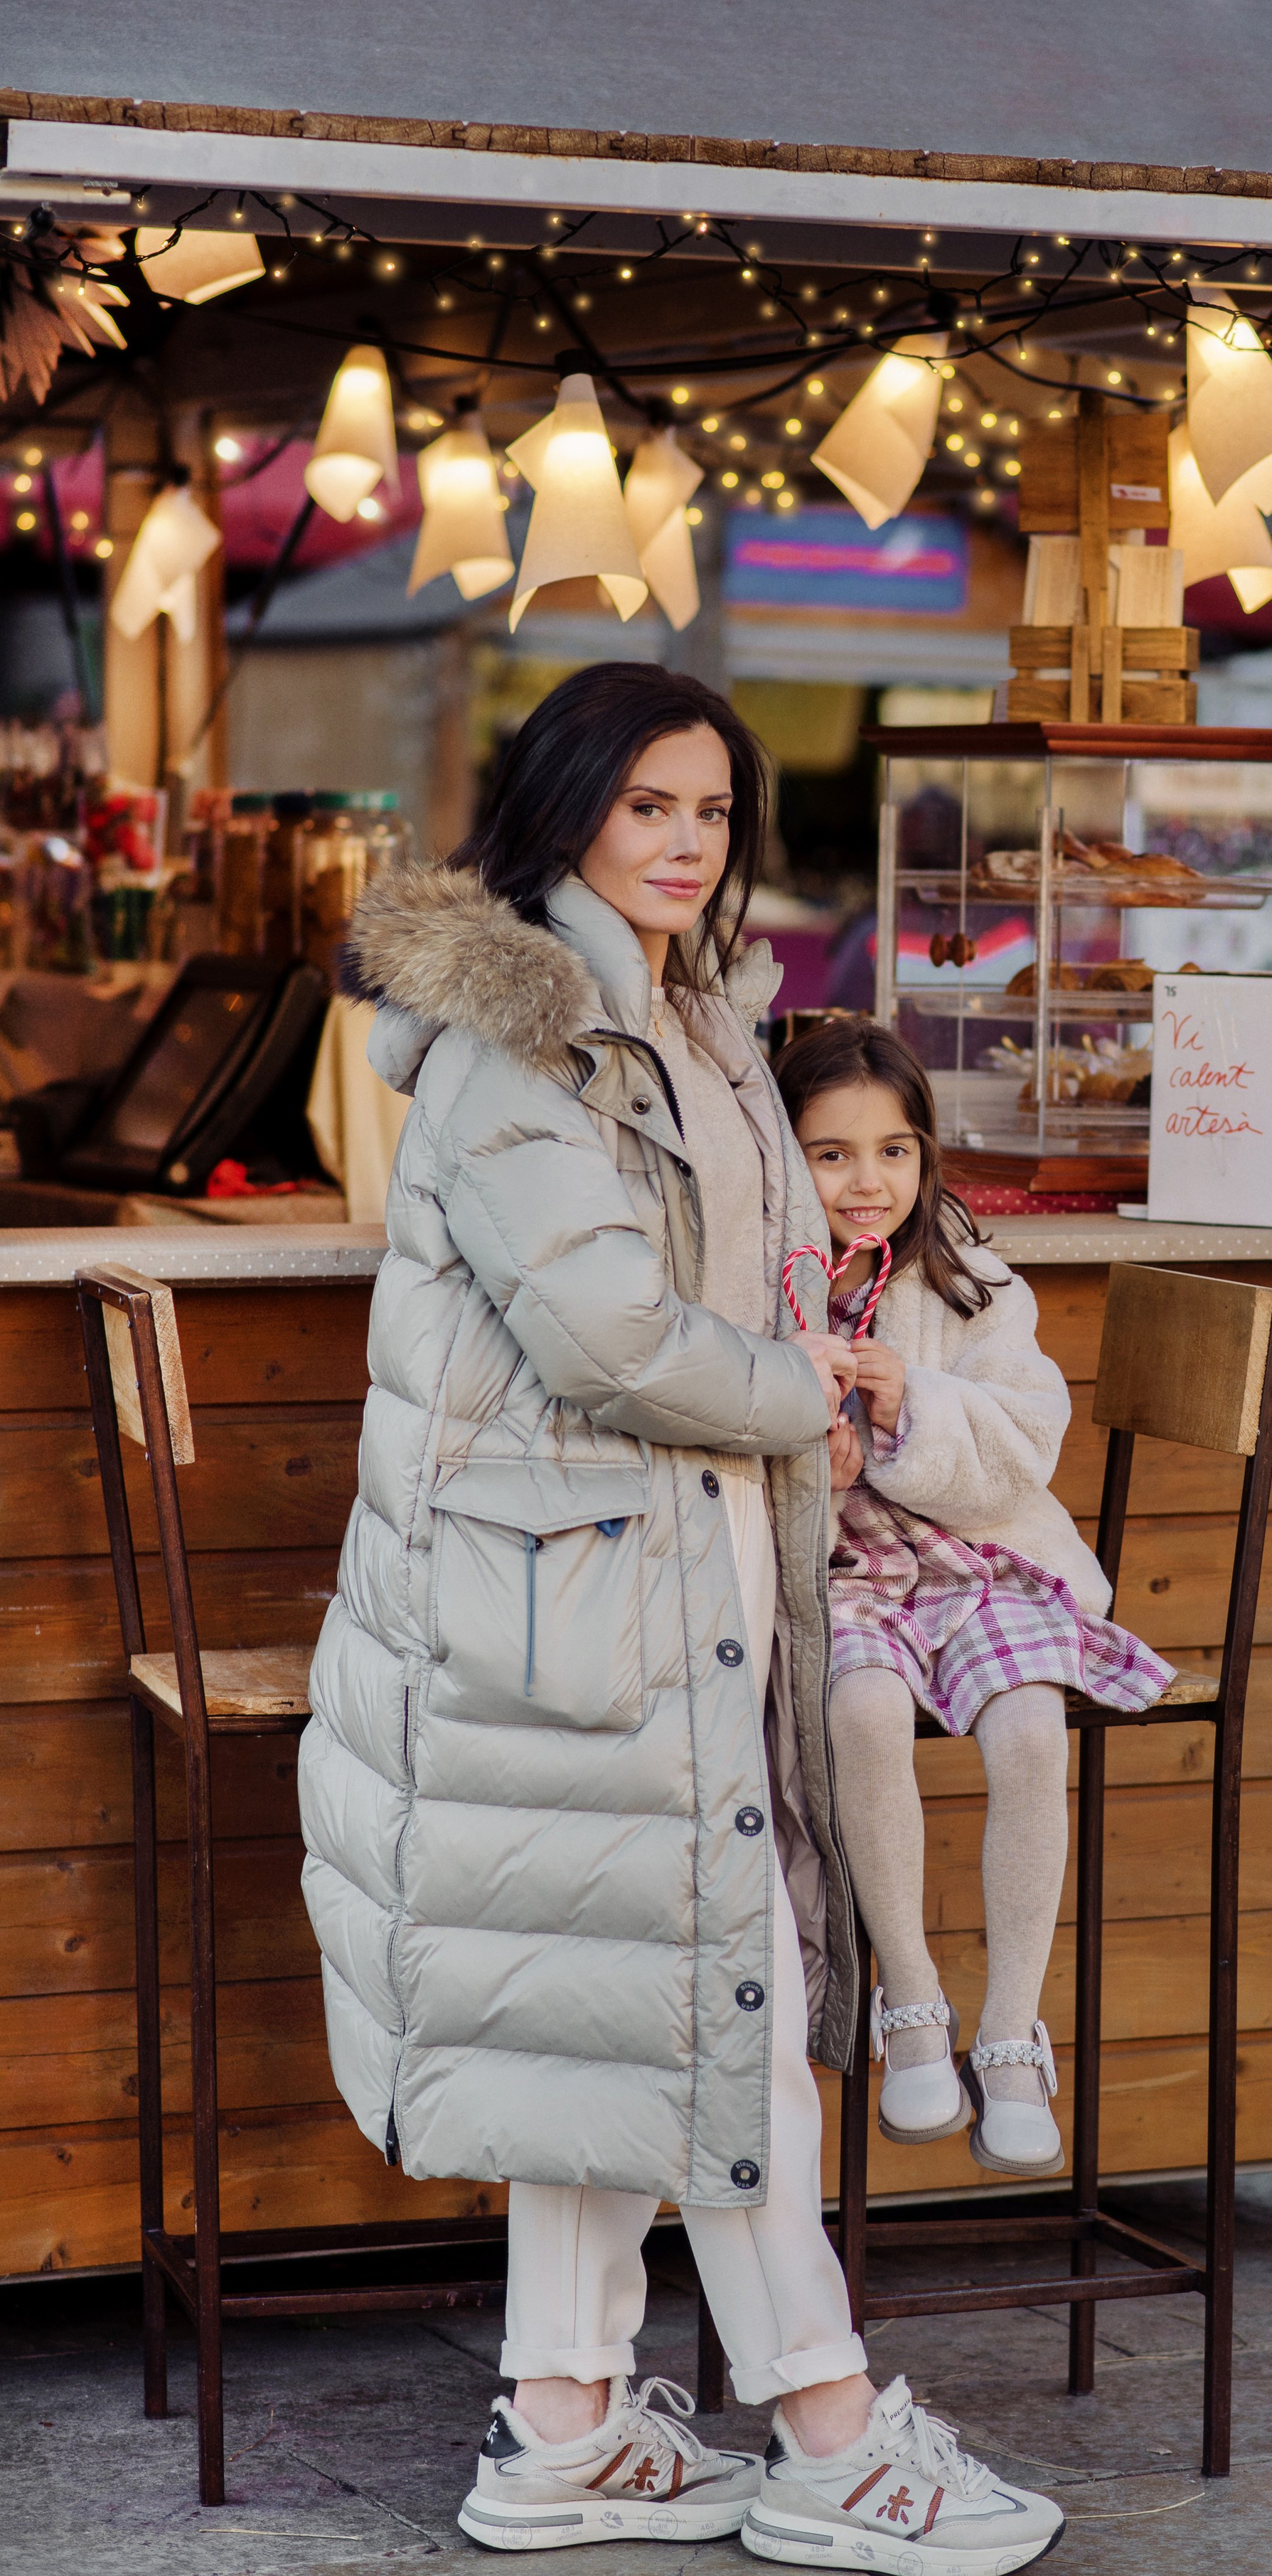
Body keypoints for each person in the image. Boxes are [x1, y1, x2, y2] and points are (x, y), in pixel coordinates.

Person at [297, 665, 1064, 2570]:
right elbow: (612, 1336)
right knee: (726, 1986)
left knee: (605, 1998)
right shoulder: (521, 1043)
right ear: (566, 806)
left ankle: (560, 2420)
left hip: (665, 1557)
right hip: (578, 1587)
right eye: (648, 804)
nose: (685, 841)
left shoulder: (700, 1016)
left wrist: (807, 1357)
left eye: (711, 811)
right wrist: (813, 1389)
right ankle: (826, 2430)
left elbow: (746, 1267)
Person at [774, 1019, 1172, 2178]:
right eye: (830, 1154)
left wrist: (911, 1412)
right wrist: (812, 1452)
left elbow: (1024, 1445)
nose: (867, 1182)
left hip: (977, 1554)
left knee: (1031, 1728)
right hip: (838, 1574)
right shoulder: (754, 1282)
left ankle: (1009, 2032)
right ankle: (910, 2000)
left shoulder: (973, 1282)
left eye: (894, 1151)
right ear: (782, 1156)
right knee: (858, 1715)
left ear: (927, 1156)